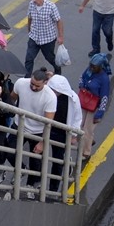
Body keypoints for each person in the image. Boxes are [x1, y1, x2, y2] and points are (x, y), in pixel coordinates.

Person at [12, 70, 57, 194]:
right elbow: (12, 99)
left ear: (45, 83)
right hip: (19, 125)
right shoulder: (21, 83)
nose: (33, 87)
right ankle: (22, 169)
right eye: (32, 83)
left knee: (35, 161)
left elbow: (49, 123)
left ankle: (31, 186)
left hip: (38, 131)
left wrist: (43, 142)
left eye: (37, 86)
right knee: (9, 149)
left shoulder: (50, 97)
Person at [43, 72, 83, 200]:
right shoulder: (47, 94)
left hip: (61, 132)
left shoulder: (73, 99)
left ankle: (53, 189)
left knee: (57, 160)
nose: (54, 93)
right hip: (46, 129)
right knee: (39, 157)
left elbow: (77, 118)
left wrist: (74, 135)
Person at [24, 0, 64, 76]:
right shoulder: (31, 4)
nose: (35, 0)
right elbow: (29, 17)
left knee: (49, 58)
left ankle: (57, 70)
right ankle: (26, 78)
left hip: (47, 39)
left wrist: (60, 36)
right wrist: (29, 30)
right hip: (34, 37)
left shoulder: (51, 6)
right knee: (29, 58)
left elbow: (58, 21)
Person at [79, 54, 111, 158]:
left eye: (94, 66)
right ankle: (89, 141)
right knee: (79, 125)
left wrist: (100, 113)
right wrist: (82, 85)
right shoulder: (88, 71)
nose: (91, 68)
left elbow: (105, 97)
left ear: (101, 66)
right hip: (84, 101)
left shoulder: (104, 79)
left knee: (88, 130)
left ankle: (86, 152)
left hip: (95, 106)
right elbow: (81, 77)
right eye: (91, 65)